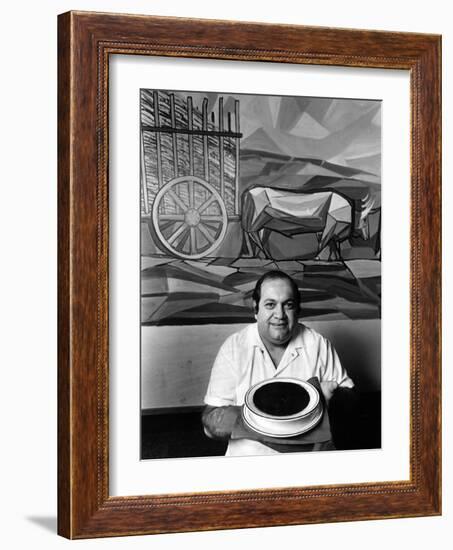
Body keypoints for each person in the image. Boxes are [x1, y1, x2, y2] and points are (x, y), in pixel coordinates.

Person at [202, 270, 354, 456]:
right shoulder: (234, 348)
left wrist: (323, 400)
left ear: (297, 309)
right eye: (270, 304)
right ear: (256, 309)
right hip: (249, 465)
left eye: (288, 305)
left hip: (310, 464)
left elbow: (351, 405)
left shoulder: (318, 344)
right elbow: (210, 422)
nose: (279, 314)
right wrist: (264, 422)